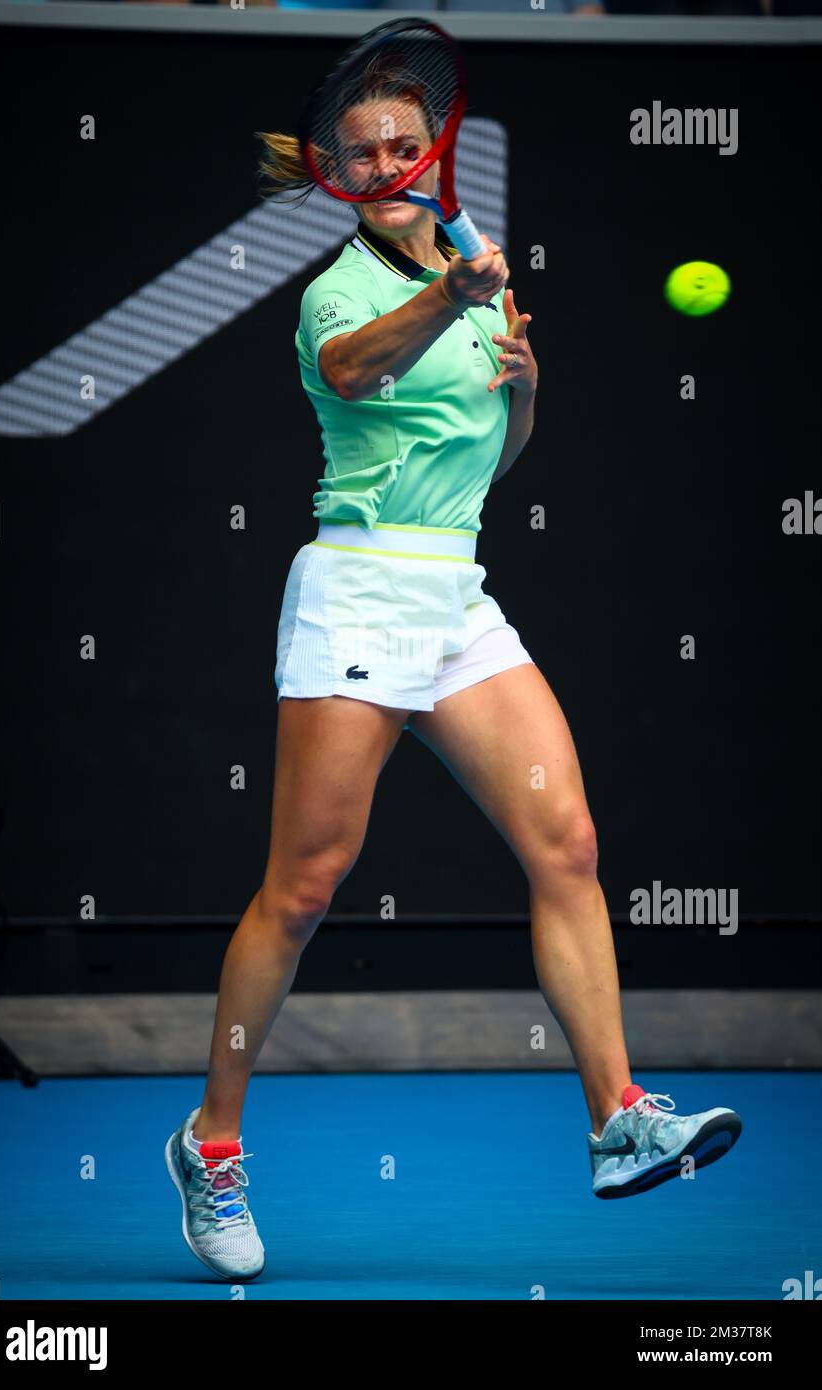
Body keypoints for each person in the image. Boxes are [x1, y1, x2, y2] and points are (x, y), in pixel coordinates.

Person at [164, 71, 742, 1283]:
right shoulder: (351, 287)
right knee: (307, 885)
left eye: (403, 147)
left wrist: (524, 395)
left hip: (455, 593)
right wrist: (446, 296)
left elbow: (487, 448)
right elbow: (356, 371)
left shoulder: (479, 276)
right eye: (359, 155)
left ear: (437, 156)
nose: (385, 167)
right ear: (331, 172)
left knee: (567, 846)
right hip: (360, 586)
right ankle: (210, 1146)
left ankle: (617, 1118)